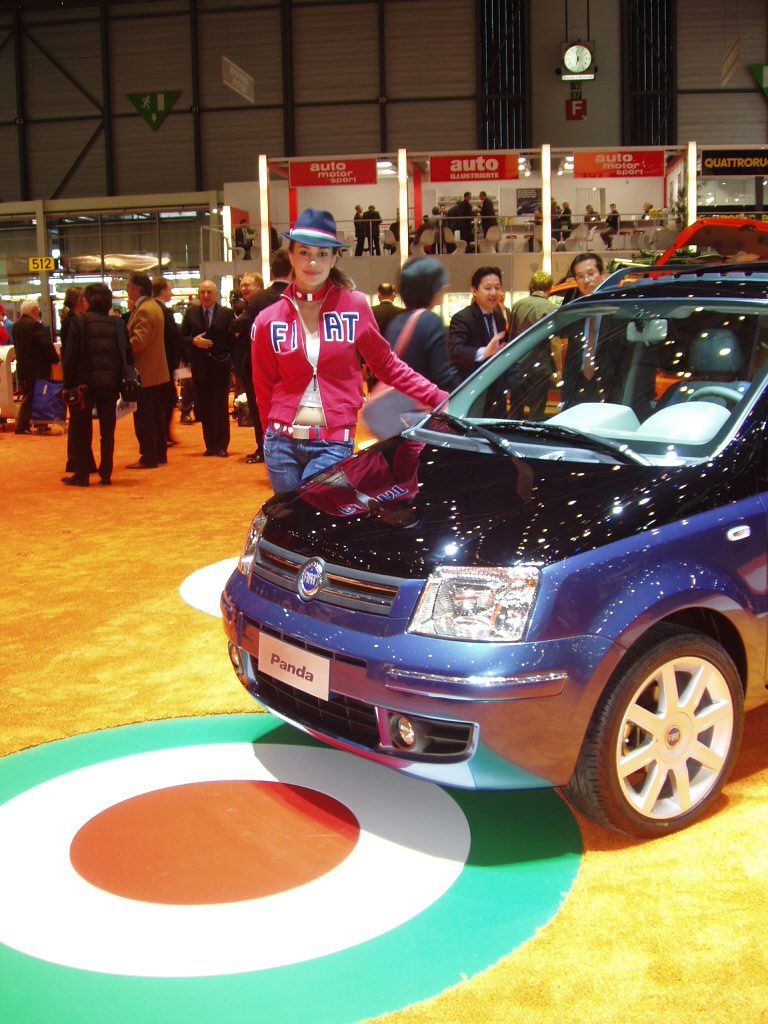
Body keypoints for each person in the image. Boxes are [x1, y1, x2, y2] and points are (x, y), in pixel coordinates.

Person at [251, 208, 448, 493]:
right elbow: (263, 387)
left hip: (332, 442)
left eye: (322, 253)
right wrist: (270, 432)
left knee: (316, 517)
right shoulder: (268, 320)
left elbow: (387, 365)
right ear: (291, 256)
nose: (313, 262)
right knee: (290, 522)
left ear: (334, 258)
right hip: (281, 444)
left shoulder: (354, 307)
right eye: (304, 252)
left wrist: (436, 395)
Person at [61, 283, 126, 487]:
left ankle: (82, 475)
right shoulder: (117, 324)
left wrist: (67, 383)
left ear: (87, 301)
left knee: (82, 429)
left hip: (84, 385)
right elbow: (126, 354)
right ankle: (106, 472)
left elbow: (70, 357)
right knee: (108, 430)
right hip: (110, 383)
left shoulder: (79, 323)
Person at [385, 257, 460, 392]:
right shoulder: (430, 321)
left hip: (399, 405)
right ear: (431, 288)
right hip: (422, 405)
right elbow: (442, 376)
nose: (445, 287)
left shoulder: (396, 322)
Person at [181, 280, 234, 457]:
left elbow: (232, 341)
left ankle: (222, 445)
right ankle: (210, 444)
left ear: (216, 294)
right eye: (202, 292)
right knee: (203, 405)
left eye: (209, 292)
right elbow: (181, 337)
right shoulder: (191, 313)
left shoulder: (226, 314)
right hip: (200, 367)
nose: (205, 295)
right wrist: (193, 341)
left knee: (219, 406)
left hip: (220, 366)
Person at [126, 271, 169, 469]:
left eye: (129, 286)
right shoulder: (154, 307)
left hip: (144, 371)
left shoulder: (144, 309)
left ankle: (148, 456)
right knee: (155, 415)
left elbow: (138, 341)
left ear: (137, 288)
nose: (127, 290)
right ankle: (159, 453)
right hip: (155, 371)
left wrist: (121, 347)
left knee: (144, 417)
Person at [447, 266, 510, 382]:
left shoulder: (499, 318)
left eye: (497, 288)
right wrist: (484, 352)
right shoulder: (462, 318)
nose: (493, 292)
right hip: (474, 385)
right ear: (474, 291)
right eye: (488, 288)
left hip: (497, 385)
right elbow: (455, 350)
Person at [560, 252, 607, 408]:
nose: (586, 280)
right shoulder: (574, 315)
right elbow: (571, 363)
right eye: (580, 276)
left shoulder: (618, 314)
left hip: (609, 391)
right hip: (579, 391)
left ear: (602, 274)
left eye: (591, 273)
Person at [230, 270, 265, 462]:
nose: (243, 287)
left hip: (260, 366)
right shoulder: (245, 308)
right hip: (248, 366)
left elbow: (235, 326)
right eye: (242, 284)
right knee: (255, 408)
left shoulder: (255, 308)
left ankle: (264, 448)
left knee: (261, 409)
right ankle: (261, 446)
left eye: (248, 284)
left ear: (259, 287)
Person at [12, 299, 59, 435]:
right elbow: (45, 345)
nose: (39, 311)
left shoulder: (16, 325)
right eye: (38, 308)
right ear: (33, 310)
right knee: (34, 397)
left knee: (30, 395)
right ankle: (23, 426)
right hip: (37, 368)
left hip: (23, 367)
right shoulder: (34, 325)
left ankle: (37, 424)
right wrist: (55, 359)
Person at [152, 277, 185, 446]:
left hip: (159, 363)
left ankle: (163, 434)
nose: (171, 292)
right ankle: (163, 435)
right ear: (162, 291)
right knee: (167, 399)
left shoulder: (152, 308)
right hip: (165, 362)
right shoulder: (163, 311)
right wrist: (185, 354)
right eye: (169, 289)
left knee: (165, 399)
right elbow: (174, 337)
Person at [509, 271, 556, 337]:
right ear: (550, 288)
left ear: (531, 286)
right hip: (541, 346)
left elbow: (511, 335)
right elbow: (554, 339)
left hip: (520, 347)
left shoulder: (517, 305)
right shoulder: (552, 309)